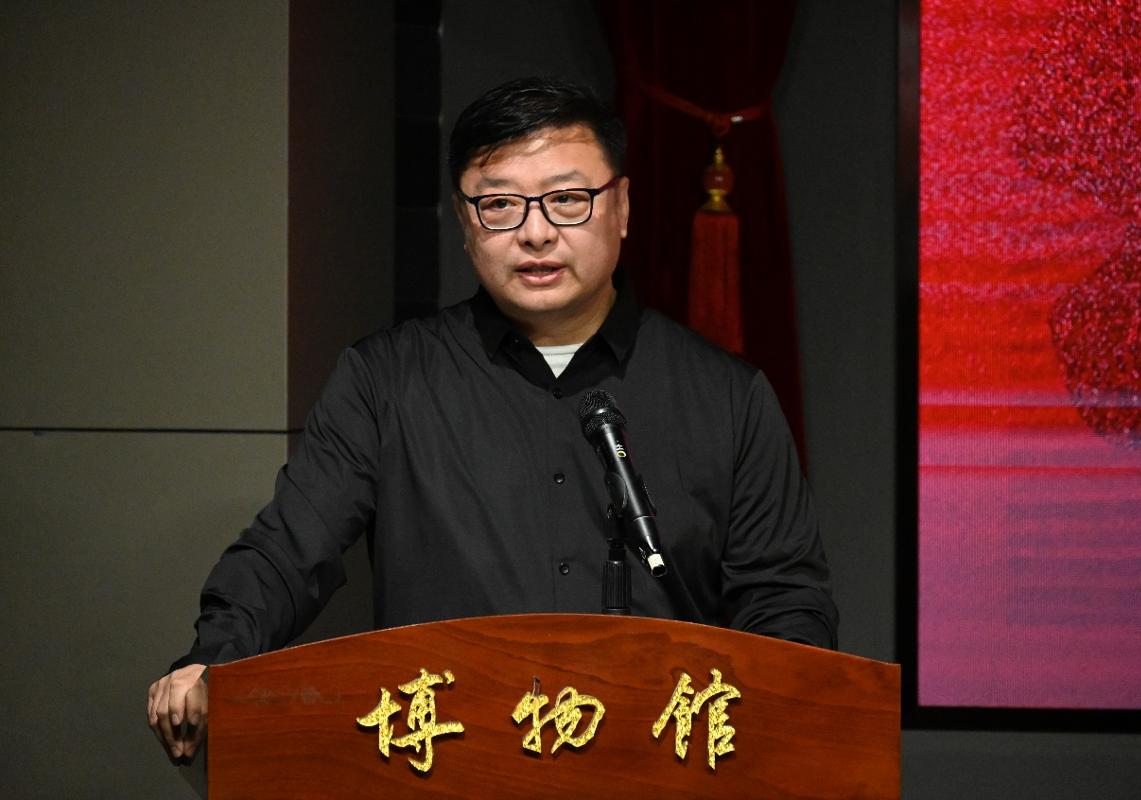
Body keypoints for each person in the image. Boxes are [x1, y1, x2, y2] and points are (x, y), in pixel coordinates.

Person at [146, 76, 838, 763]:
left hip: (662, 765)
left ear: (622, 207)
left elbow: (783, 600)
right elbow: (291, 548)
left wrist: (788, 722)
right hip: (448, 762)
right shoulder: (386, 381)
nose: (536, 233)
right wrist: (214, 658)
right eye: (501, 204)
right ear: (464, 220)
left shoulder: (727, 396)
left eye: (567, 200)